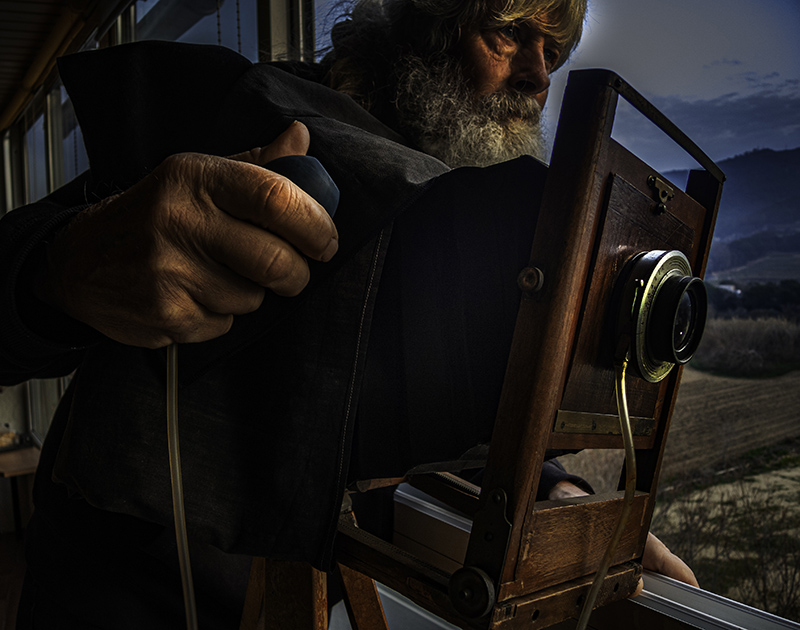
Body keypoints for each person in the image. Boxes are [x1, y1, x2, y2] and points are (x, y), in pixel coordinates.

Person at [0, 0, 695, 627]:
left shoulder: (459, 222)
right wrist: (67, 264)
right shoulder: (250, 114)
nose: (539, 77)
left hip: (317, 598)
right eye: (508, 34)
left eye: (555, 52)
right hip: (130, 588)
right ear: (426, 22)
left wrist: (554, 492)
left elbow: (412, 399)